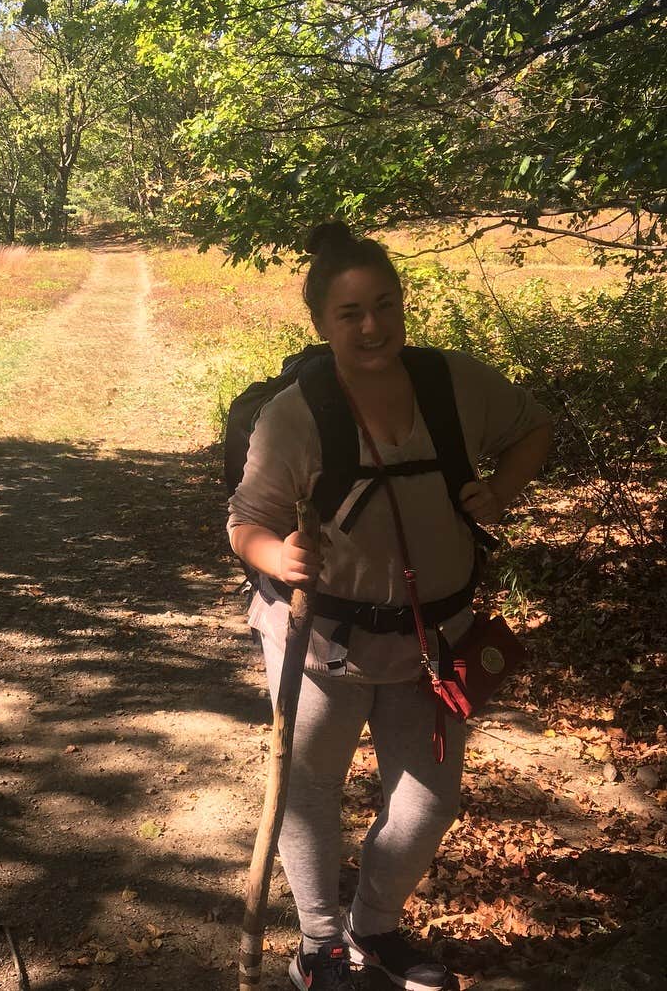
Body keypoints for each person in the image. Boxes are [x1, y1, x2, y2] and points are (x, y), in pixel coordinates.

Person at [227, 222, 553, 991]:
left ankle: (373, 928)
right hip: (320, 641)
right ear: (320, 324)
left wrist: (499, 490)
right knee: (309, 797)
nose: (372, 326)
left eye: (385, 304)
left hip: (433, 642)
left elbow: (531, 427)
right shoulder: (295, 415)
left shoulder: (453, 384)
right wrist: (278, 556)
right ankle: (318, 945)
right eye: (350, 314)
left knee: (431, 803)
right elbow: (245, 519)